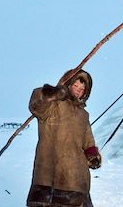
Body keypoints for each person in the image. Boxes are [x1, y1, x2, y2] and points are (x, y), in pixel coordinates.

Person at [27, 69, 101, 207]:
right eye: (76, 86)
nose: (78, 90)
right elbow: (36, 104)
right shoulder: (53, 105)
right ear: (69, 84)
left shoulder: (83, 114)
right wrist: (52, 94)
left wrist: (92, 155)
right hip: (49, 170)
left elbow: (87, 139)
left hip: (76, 174)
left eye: (82, 89)